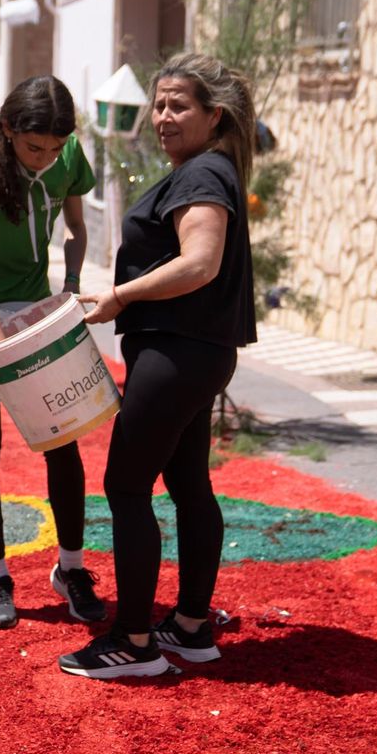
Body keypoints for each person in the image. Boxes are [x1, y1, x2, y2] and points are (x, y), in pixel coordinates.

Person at [59, 52, 257, 680]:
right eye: (160, 104)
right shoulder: (211, 168)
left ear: (213, 114)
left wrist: (123, 294)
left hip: (178, 352)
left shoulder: (202, 175)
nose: (163, 117)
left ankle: (135, 641)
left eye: (179, 106)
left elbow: (201, 262)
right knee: (189, 485)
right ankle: (192, 627)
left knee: (125, 486)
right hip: (196, 353)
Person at [0, 74, 101, 629]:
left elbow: (77, 229)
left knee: (63, 443)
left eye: (55, 148)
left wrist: (72, 283)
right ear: (8, 130)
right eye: (35, 148)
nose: (45, 159)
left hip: (35, 318)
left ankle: (71, 569)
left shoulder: (68, 157)